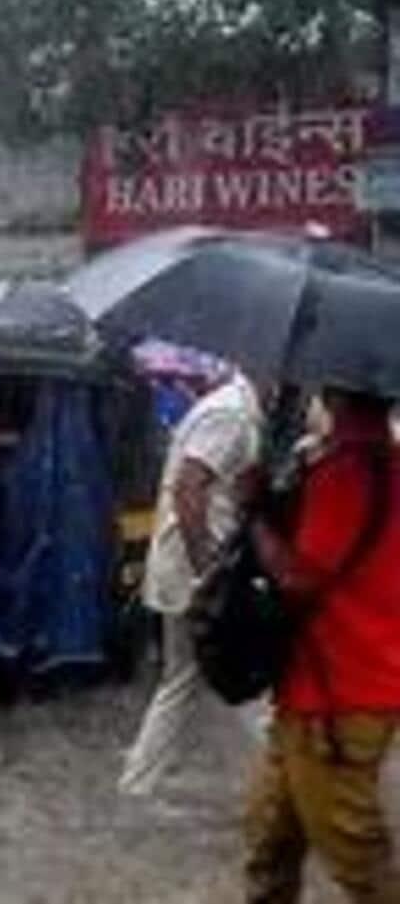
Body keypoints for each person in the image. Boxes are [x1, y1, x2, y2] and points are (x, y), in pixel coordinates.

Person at [244, 388, 400, 903]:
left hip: (332, 696)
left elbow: (297, 576)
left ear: (335, 394)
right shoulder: (382, 466)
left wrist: (257, 519)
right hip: (347, 684)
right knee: (272, 835)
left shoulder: (347, 473)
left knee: (359, 858)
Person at [119, 368, 267, 797]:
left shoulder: (237, 412)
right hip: (197, 571)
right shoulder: (230, 416)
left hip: (191, 567)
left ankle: (139, 782)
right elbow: (189, 490)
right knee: (248, 682)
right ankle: (284, 787)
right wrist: (207, 571)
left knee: (182, 681)